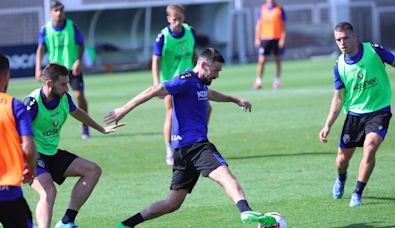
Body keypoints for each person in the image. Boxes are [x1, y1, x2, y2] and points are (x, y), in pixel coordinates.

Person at [106, 48, 277, 227]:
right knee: (225, 175)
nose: (217, 75)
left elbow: (210, 94)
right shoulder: (185, 80)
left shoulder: (200, 82)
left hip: (182, 150)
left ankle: (125, 225)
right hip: (196, 146)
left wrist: (235, 100)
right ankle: (245, 211)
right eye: (216, 71)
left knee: (172, 203)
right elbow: (154, 89)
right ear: (203, 65)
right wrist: (123, 109)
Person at [25, 63, 122, 228]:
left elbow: (77, 112)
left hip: (52, 153)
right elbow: (14, 132)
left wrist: (101, 128)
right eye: (63, 84)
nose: (67, 88)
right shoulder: (32, 104)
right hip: (33, 156)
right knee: (49, 191)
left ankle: (66, 221)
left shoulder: (63, 98)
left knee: (92, 170)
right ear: (49, 84)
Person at [319, 22, 395, 207]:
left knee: (370, 147)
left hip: (379, 111)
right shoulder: (339, 65)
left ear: (355, 37)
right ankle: (341, 179)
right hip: (354, 116)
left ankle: (357, 193)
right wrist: (327, 125)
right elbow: (338, 99)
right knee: (342, 160)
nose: (342, 43)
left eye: (345, 38)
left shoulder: (374, 51)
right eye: (338, 39)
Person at [152, 4, 212, 165]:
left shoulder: (190, 32)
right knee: (171, 114)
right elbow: (155, 61)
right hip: (172, 82)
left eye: (179, 18)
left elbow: (194, 55)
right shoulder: (163, 37)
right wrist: (156, 83)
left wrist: (201, 73)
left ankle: (198, 139)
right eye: (174, 19)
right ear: (168, 19)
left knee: (207, 107)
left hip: (191, 80)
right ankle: (169, 150)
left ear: (183, 17)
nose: (177, 22)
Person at [35, 0, 91, 139]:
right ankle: (48, 130)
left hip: (72, 69)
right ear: (51, 12)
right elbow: (40, 50)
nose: (59, 13)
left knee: (79, 96)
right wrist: (37, 68)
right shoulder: (45, 29)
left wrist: (78, 60)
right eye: (56, 10)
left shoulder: (72, 26)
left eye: (61, 10)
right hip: (54, 72)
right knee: (49, 100)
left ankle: (85, 127)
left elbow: (82, 44)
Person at [0, 53, 37, 228]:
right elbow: (29, 147)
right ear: (6, 75)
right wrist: (30, 167)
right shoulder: (14, 106)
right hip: (8, 193)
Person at [253, 0, 286, 90]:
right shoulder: (262, 8)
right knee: (262, 60)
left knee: (277, 60)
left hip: (277, 38)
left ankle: (277, 81)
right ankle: (258, 81)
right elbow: (258, 24)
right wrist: (257, 38)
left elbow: (283, 25)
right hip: (264, 38)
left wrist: (282, 38)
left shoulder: (280, 9)